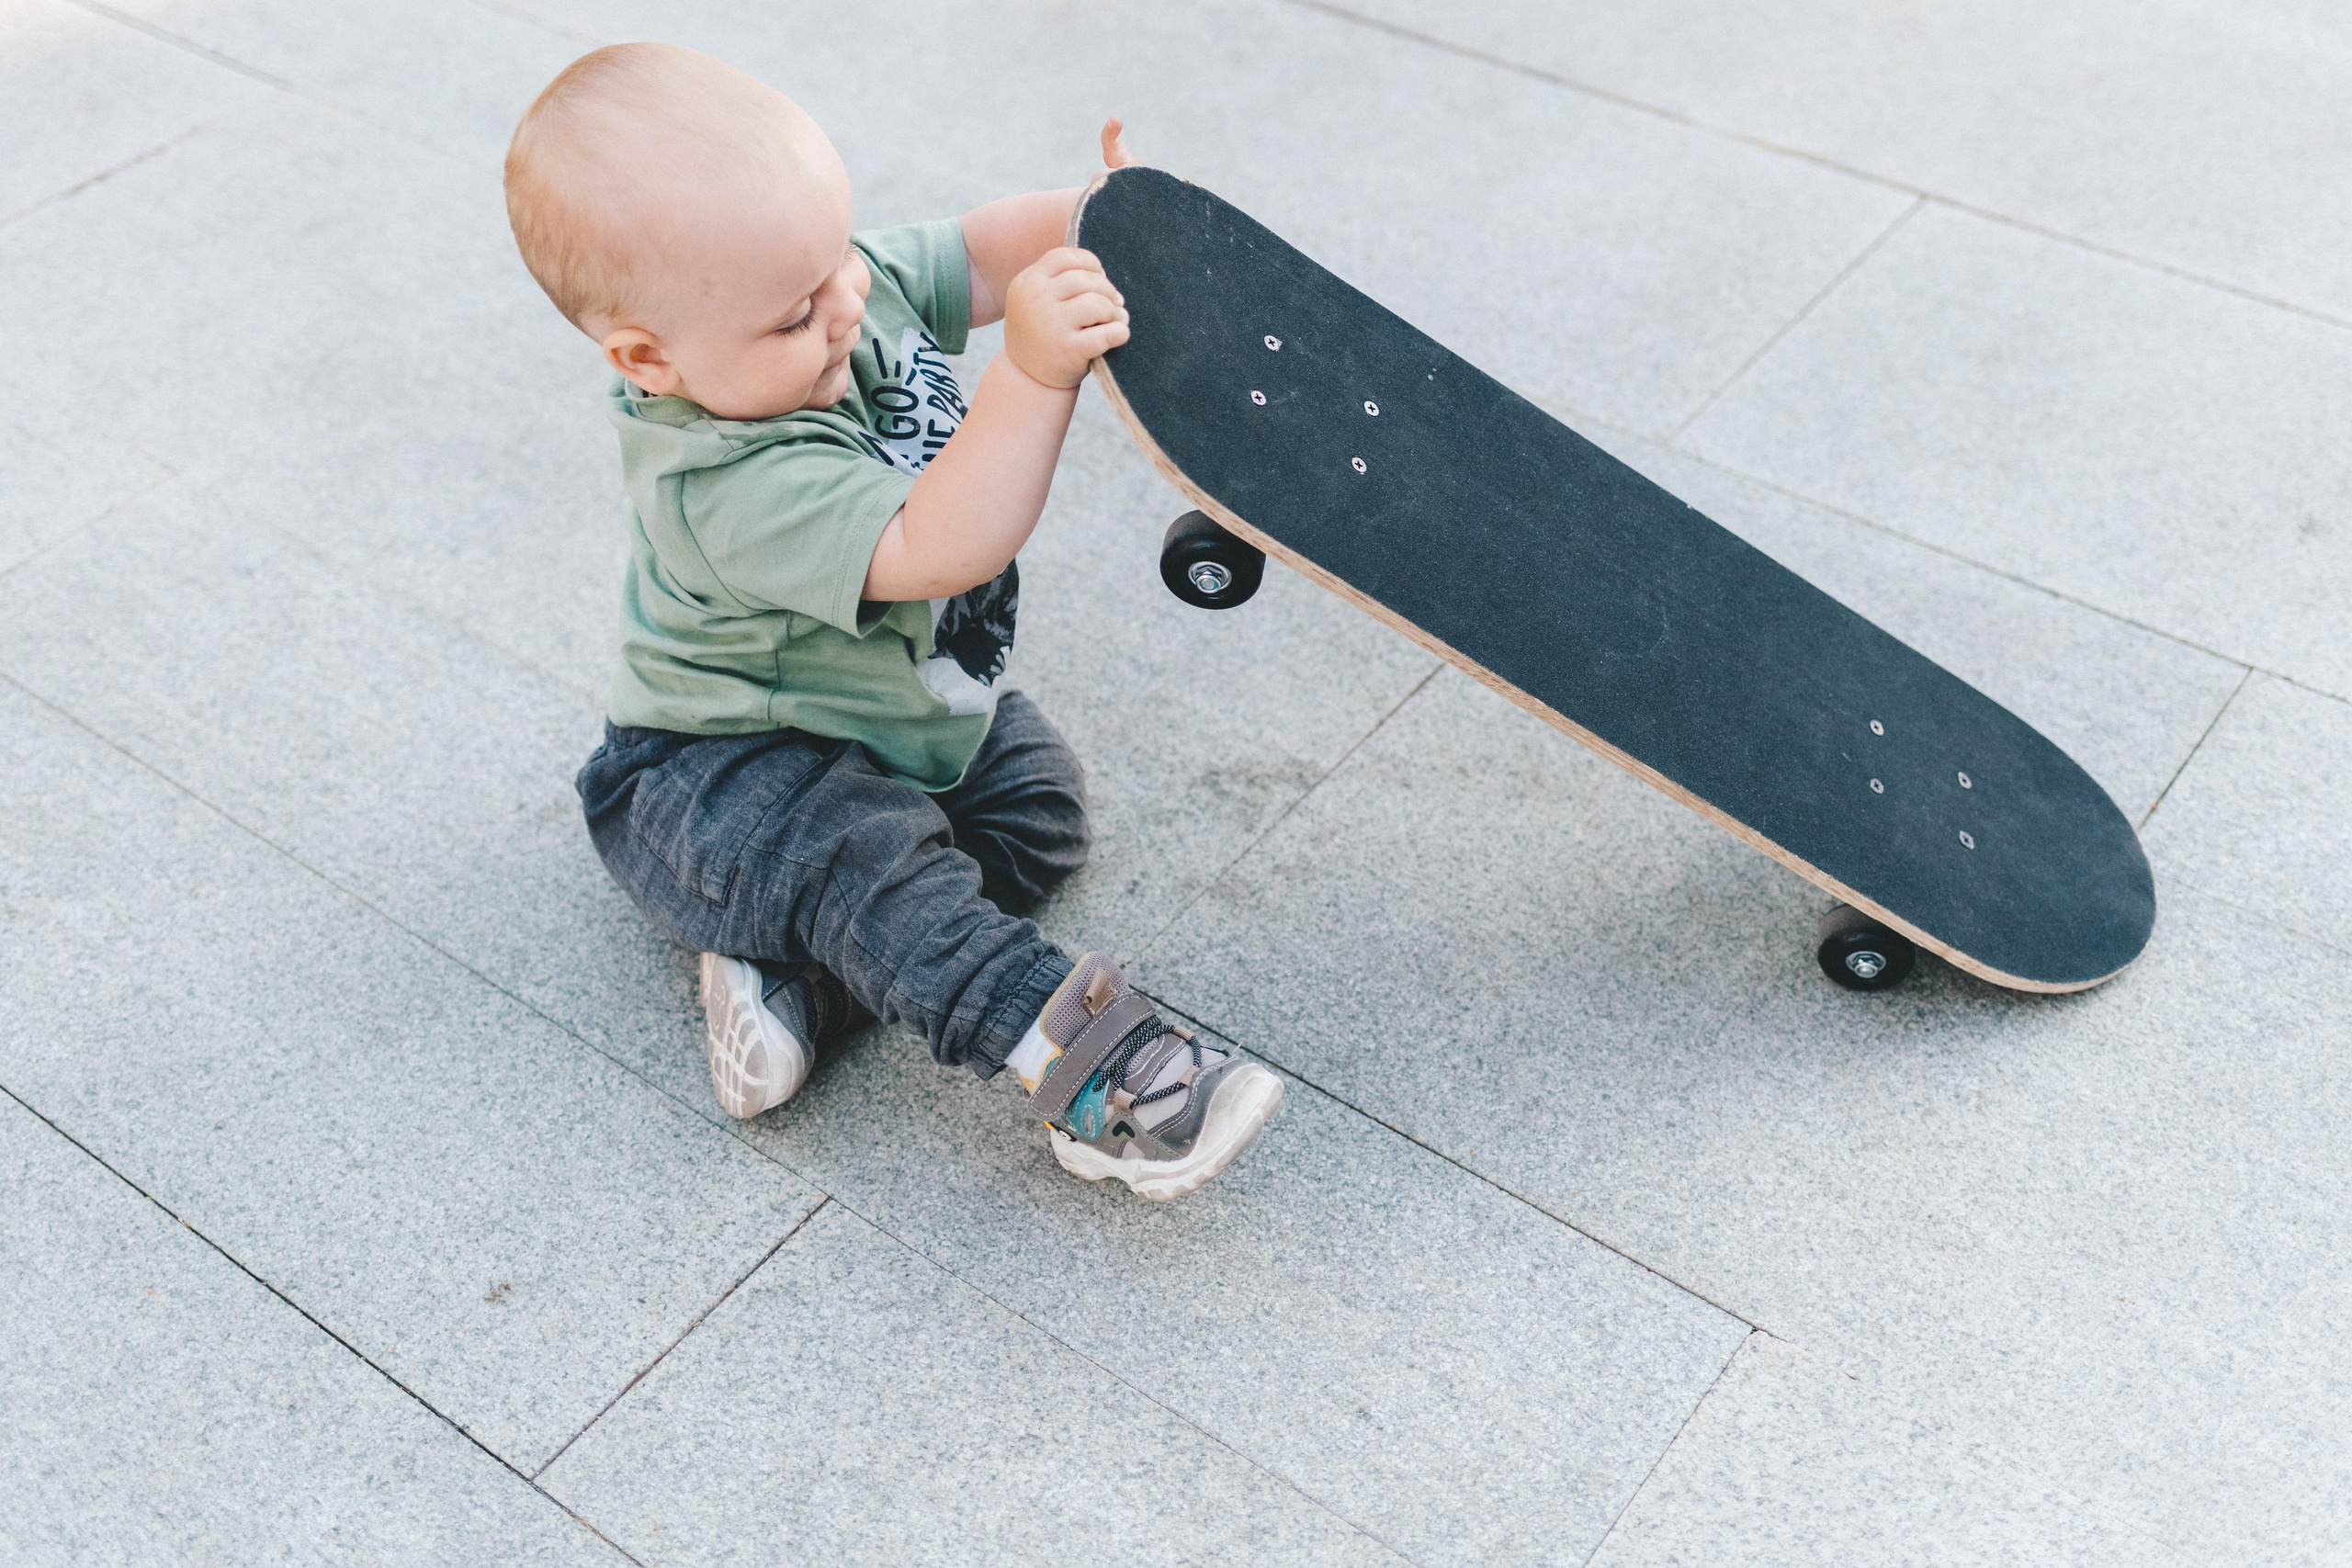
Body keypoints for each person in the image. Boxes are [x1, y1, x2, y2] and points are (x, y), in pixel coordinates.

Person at [503, 42, 1282, 1200]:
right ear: (647, 358)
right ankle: (1097, 1073)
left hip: (887, 729)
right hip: (717, 784)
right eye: (797, 312)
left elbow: (972, 251)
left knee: (1038, 812)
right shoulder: (723, 482)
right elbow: (940, 543)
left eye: (838, 262)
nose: (845, 308)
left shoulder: (811, 289)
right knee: (873, 865)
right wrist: (1029, 370)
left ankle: (801, 982)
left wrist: (1102, 220)